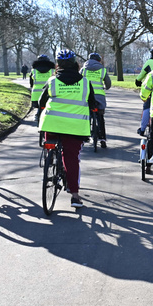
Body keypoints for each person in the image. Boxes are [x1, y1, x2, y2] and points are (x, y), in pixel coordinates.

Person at [38, 49, 97, 209]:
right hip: (75, 128)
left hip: (51, 125)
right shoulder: (85, 83)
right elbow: (92, 104)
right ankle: (75, 196)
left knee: (50, 145)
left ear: (58, 65)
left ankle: (49, 157)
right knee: (71, 159)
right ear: (75, 64)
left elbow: (41, 102)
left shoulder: (52, 81)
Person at [80, 52, 111, 148]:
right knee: (100, 117)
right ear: (99, 61)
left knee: (85, 116)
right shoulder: (103, 70)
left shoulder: (83, 69)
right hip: (99, 96)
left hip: (86, 96)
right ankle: (102, 139)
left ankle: (84, 137)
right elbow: (108, 83)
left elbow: (77, 81)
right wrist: (105, 87)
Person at [135, 45, 153, 135]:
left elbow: (142, 74)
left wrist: (138, 81)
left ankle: (142, 129)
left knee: (147, 107)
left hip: (151, 89)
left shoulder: (149, 62)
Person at [30, 54, 55, 123]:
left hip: (36, 94)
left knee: (38, 107)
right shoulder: (53, 71)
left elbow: (31, 83)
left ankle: (37, 116)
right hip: (48, 94)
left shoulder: (34, 71)